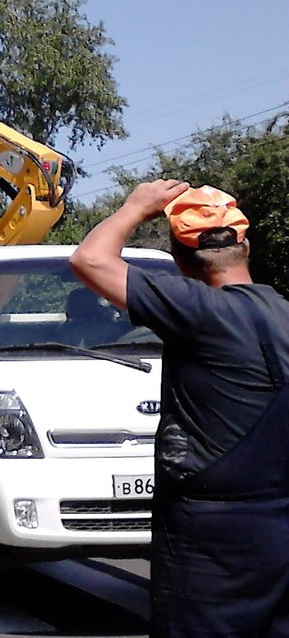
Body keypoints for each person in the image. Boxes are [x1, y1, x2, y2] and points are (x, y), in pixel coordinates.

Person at [71, 181, 289, 637]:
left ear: (178, 258)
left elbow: (89, 259)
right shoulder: (283, 312)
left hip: (209, 537)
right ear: (243, 243)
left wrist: (136, 208)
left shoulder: (198, 308)